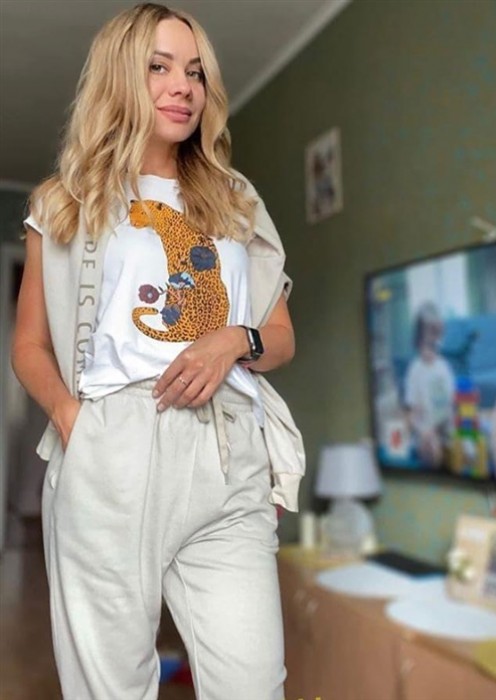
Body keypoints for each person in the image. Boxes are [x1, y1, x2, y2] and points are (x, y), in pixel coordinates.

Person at [11, 4, 305, 699]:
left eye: (195, 72)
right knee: (110, 686)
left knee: (253, 684)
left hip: (229, 446)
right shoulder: (66, 201)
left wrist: (232, 339)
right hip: (115, 446)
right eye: (159, 67)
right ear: (120, 76)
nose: (183, 87)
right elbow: (30, 345)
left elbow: (280, 337)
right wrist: (76, 424)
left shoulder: (234, 199)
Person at [404, 301, 456, 467]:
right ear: (418, 341)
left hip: (444, 430)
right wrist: (421, 432)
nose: (429, 351)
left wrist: (437, 431)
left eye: (434, 345)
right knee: (429, 449)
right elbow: (411, 413)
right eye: (426, 344)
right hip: (424, 435)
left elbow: (449, 407)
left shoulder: (444, 368)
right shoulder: (415, 370)